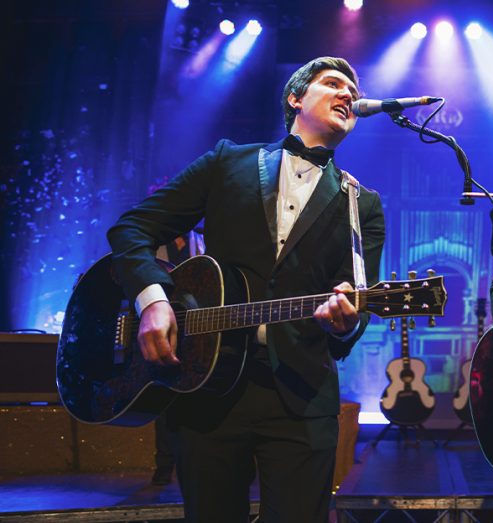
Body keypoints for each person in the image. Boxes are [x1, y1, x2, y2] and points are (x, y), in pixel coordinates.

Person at [107, 56, 384, 522]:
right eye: (333, 83)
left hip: (301, 395)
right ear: (295, 98)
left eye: (354, 93)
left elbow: (358, 305)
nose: (348, 95)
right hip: (206, 385)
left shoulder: (362, 204)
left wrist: (344, 324)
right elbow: (132, 229)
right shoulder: (227, 162)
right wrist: (153, 300)